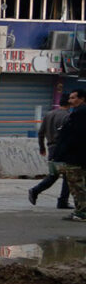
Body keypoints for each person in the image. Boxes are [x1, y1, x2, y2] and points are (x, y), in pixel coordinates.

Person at [28, 93, 72, 208]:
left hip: (51, 148)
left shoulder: (49, 114)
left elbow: (41, 133)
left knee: (54, 174)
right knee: (68, 175)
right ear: (69, 103)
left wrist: (42, 147)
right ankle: (62, 200)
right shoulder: (67, 116)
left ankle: (36, 191)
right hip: (62, 149)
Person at [51, 88, 86, 222]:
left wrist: (61, 153)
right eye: (70, 98)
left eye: (73, 98)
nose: (70, 101)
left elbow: (72, 136)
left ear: (82, 99)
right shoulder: (77, 113)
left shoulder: (79, 114)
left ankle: (81, 212)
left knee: (77, 185)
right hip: (78, 156)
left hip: (75, 156)